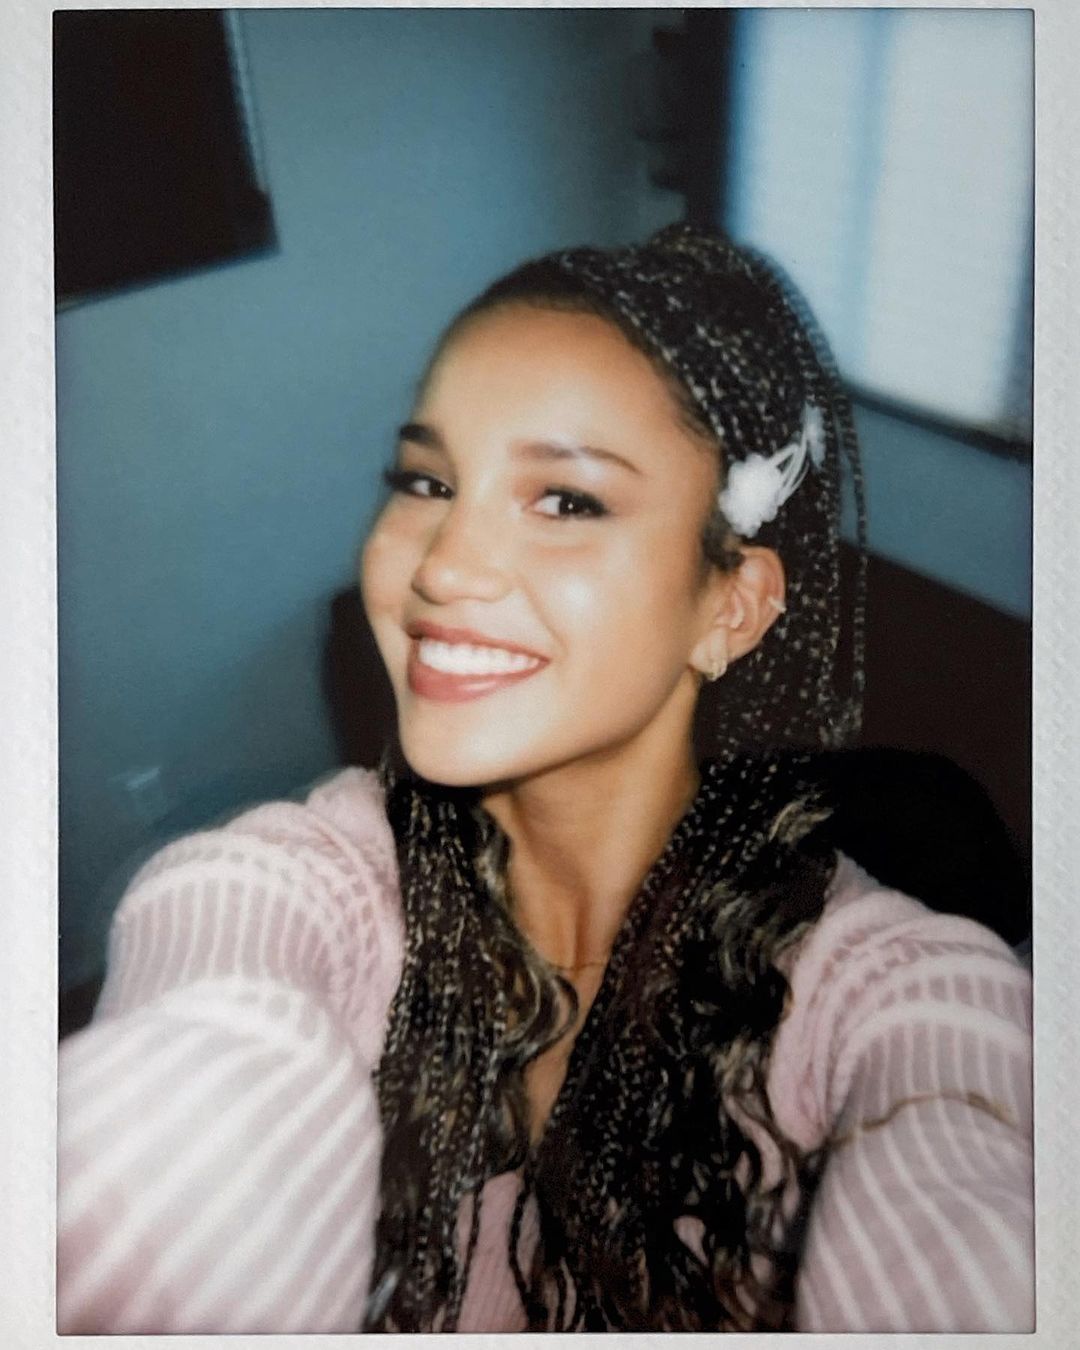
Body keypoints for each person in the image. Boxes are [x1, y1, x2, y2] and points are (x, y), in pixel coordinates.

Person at [57, 225, 1033, 1334]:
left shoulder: (890, 991)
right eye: (427, 481)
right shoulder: (300, 881)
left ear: (732, 606)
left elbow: (966, 1167)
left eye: (566, 500)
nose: (442, 566)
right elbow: (205, 1058)